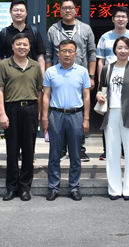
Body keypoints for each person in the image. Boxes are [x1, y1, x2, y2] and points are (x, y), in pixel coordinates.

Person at [45, 0, 96, 162]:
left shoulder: (85, 28)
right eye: (64, 8)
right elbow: (48, 55)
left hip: (80, 76)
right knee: (59, 110)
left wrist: (91, 75)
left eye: (71, 8)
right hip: (58, 76)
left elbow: (92, 52)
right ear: (60, 10)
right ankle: (61, 149)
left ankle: (79, 149)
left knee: (78, 112)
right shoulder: (53, 30)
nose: (68, 10)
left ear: (76, 10)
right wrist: (48, 75)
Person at [0, 33, 44, 202]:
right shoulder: (4, 65)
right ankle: (11, 187)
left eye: (25, 44)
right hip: (11, 109)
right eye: (18, 44)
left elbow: (39, 91)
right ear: (12, 46)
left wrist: (39, 113)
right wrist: (2, 113)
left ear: (29, 47)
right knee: (12, 150)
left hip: (30, 109)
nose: (22, 47)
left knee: (29, 151)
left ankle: (25, 188)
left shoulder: (35, 66)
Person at [96, 36, 129, 200]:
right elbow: (101, 89)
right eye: (119, 48)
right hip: (111, 113)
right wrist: (99, 95)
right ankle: (114, 189)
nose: (123, 51)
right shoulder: (107, 69)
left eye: (126, 48)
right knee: (112, 153)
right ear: (114, 50)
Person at [41, 39, 91, 201]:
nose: (67, 54)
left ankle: (74, 187)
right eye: (64, 51)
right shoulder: (51, 71)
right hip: (56, 115)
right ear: (58, 53)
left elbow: (86, 96)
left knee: (75, 154)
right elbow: (46, 95)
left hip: (76, 115)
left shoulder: (82, 72)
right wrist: (44, 117)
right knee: (54, 154)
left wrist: (86, 118)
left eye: (70, 51)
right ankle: (53, 187)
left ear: (76, 53)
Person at [95, 6, 129, 160]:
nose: (121, 19)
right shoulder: (105, 37)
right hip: (109, 78)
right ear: (113, 19)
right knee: (107, 113)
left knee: (128, 112)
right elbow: (100, 61)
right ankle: (107, 149)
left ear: (128, 20)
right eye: (118, 16)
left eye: (124, 16)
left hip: (128, 79)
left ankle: (125, 150)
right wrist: (101, 82)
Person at [0, 0, 46, 71]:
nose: (19, 13)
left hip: (31, 74)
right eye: (16, 10)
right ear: (10, 12)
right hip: (10, 74)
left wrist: (42, 75)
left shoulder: (34, 32)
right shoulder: (4, 33)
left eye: (22, 10)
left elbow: (40, 56)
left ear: (26, 13)